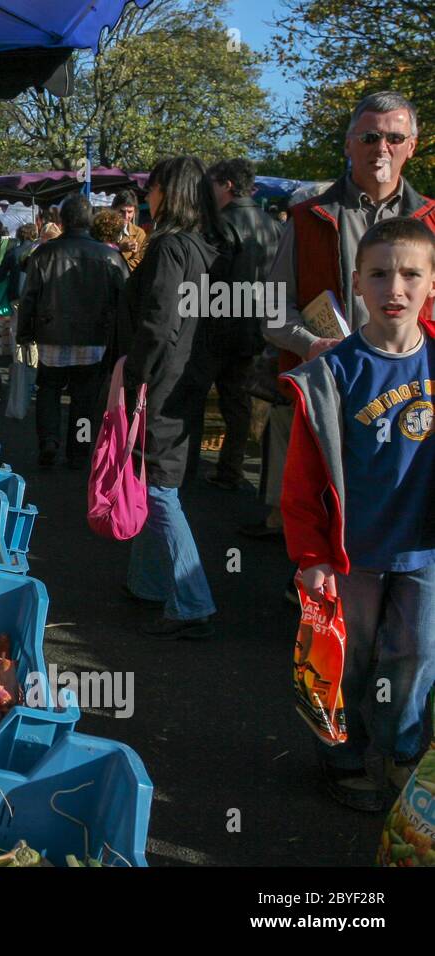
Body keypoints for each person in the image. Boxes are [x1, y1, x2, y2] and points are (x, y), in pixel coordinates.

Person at [282, 217, 435, 810]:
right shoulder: (333, 372)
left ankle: (402, 755)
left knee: (416, 659)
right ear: (356, 282)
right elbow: (302, 481)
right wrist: (313, 555)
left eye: (410, 273)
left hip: (422, 551)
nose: (394, 286)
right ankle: (344, 758)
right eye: (379, 273)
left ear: (430, 284)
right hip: (353, 554)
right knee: (346, 663)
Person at [253, 91, 435, 546]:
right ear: (349, 144)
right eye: (371, 136)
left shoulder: (431, 221)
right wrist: (309, 345)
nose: (382, 148)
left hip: (414, 396)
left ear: (412, 146)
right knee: (321, 523)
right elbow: (273, 310)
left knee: (409, 522)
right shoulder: (308, 218)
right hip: (331, 395)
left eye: (395, 137)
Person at [119, 156, 227, 640]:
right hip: (188, 378)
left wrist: (134, 374)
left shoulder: (169, 248)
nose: (147, 194)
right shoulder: (207, 247)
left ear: (168, 191)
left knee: (157, 483)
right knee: (152, 478)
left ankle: (191, 599)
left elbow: (158, 323)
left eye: (151, 186)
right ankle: (149, 582)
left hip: (160, 380)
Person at [17, 195, 128, 470]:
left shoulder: (44, 253)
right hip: (94, 339)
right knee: (85, 400)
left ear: (62, 221)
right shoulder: (110, 256)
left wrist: (25, 332)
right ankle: (78, 451)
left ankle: (49, 441)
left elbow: (29, 296)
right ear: (89, 220)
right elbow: (125, 299)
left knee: (49, 390)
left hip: (51, 334)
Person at [198, 158, 283, 490]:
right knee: (240, 403)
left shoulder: (219, 225)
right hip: (258, 326)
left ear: (227, 186)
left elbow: (207, 278)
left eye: (214, 184)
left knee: (195, 399)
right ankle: (232, 468)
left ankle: (191, 470)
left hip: (218, 326)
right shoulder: (274, 226)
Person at [112, 191, 149, 270]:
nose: (126, 216)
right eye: (122, 211)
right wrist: (119, 248)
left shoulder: (139, 233)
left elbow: (139, 260)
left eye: (130, 212)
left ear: (134, 212)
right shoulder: (104, 229)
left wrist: (115, 268)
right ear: (114, 210)